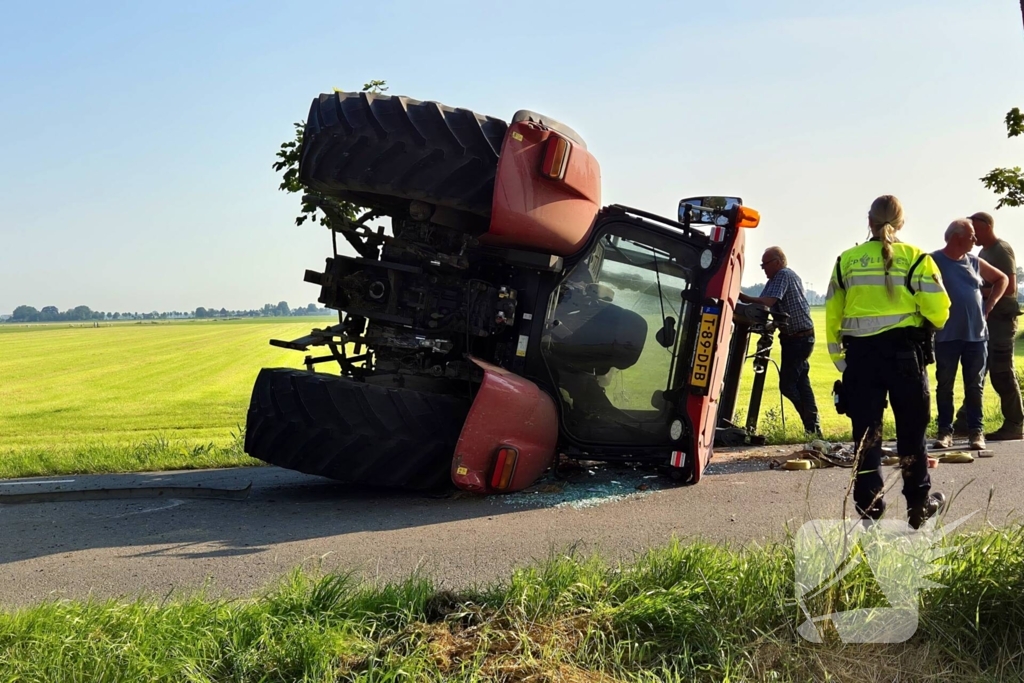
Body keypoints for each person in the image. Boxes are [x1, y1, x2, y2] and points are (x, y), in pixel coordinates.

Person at [825, 195, 951, 529]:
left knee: (866, 438)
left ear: (869, 221)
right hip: (905, 356)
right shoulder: (916, 258)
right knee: (912, 435)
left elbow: (833, 316)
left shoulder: (845, 260)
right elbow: (940, 311)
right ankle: (918, 508)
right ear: (901, 222)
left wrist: (841, 362)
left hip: (860, 359)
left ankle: (870, 510)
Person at [931, 219, 1007, 451]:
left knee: (974, 386)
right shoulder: (933, 260)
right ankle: (945, 432)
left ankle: (976, 432)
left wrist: (990, 304)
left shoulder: (974, 261)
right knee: (945, 386)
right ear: (957, 237)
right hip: (946, 335)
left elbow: (1002, 279)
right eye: (971, 235)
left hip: (976, 335)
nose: (975, 239)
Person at [952, 212, 1023, 440]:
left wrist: (973, 291)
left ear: (986, 227)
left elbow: (1010, 287)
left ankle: (1015, 424)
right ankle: (965, 422)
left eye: (975, 231)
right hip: (987, 321)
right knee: (978, 371)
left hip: (1001, 322)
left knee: (1002, 372)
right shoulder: (984, 252)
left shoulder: (1001, 250)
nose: (973, 237)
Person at [739, 247, 821, 435]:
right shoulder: (778, 279)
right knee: (802, 383)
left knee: (788, 386)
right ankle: (813, 429)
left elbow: (767, 302)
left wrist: (741, 295)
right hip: (798, 337)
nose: (763, 269)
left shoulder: (783, 275)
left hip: (798, 338)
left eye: (765, 264)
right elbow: (766, 306)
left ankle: (810, 422)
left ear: (777, 262)